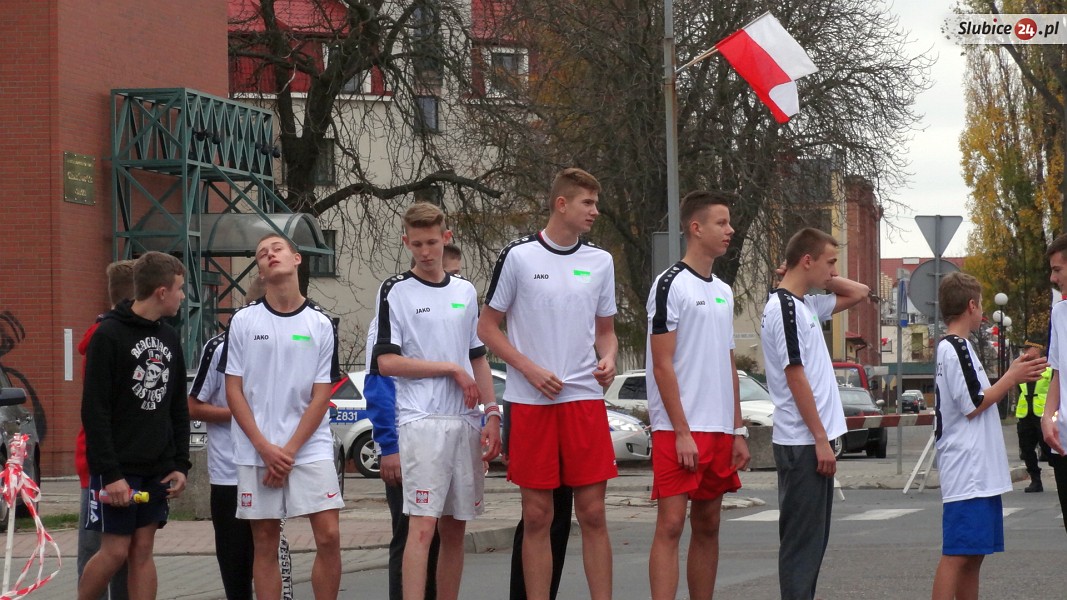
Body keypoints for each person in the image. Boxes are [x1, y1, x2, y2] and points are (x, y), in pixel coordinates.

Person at [478, 167, 618, 600]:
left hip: (583, 399)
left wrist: (609, 358)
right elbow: (487, 327)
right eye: (587, 203)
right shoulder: (519, 256)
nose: (595, 211)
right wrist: (529, 368)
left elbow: (606, 331)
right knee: (538, 515)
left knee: (593, 514)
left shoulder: (600, 261)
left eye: (596, 203)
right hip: (531, 401)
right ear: (562, 204)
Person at [372, 203, 500, 600]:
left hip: (464, 420)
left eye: (432, 242)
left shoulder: (465, 291)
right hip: (421, 420)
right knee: (422, 527)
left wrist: (492, 414)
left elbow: (478, 357)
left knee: (455, 528)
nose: (426, 252)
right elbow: (386, 362)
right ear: (406, 242)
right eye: (417, 244)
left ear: (446, 238)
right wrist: (449, 369)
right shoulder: (395, 290)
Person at [220, 234, 344, 600]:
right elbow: (233, 391)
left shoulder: (321, 323)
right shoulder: (243, 321)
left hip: (308, 447)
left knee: (329, 536)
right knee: (265, 540)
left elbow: (322, 394)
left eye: (277, 249)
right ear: (260, 269)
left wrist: (287, 452)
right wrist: (265, 448)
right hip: (256, 448)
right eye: (262, 254)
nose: (270, 255)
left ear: (296, 259)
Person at [646, 190, 751, 600]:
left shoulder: (724, 291)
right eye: (721, 223)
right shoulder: (669, 284)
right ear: (696, 228)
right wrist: (681, 431)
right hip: (679, 429)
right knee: (671, 524)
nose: (730, 230)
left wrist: (737, 429)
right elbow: (662, 363)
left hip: (720, 429)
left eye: (729, 222)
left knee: (708, 525)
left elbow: (728, 363)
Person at [759, 228, 869, 600]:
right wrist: (820, 439)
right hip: (803, 442)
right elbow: (795, 376)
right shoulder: (785, 309)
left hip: (811, 441)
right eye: (830, 262)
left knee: (812, 545)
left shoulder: (804, 303)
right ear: (807, 260)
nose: (835, 271)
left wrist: (818, 276)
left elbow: (860, 292)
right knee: (801, 548)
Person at [78, 251, 191, 600]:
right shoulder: (109, 335)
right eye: (179, 289)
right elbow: (94, 410)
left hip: (157, 465)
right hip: (119, 468)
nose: (183, 296)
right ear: (161, 291)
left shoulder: (169, 337)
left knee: (143, 549)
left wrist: (180, 463)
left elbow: (176, 405)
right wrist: (110, 474)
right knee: (115, 551)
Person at [930, 272, 1047, 599]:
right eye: (981, 303)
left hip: (976, 471)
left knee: (973, 555)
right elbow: (973, 404)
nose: (982, 310)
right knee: (957, 554)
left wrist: (1012, 373)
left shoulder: (958, 347)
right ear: (971, 305)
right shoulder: (955, 347)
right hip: (967, 470)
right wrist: (1012, 376)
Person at [369, 243, 461, 600]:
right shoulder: (393, 312)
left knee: (437, 534)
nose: (454, 281)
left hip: (447, 430)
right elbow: (379, 381)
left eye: (458, 274)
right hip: (409, 437)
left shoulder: (454, 307)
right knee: (411, 534)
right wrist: (388, 445)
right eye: (452, 273)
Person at [187, 276, 266, 600]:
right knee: (235, 562)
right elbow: (193, 406)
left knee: (267, 555)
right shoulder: (220, 347)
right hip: (229, 473)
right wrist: (240, 416)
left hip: (270, 467)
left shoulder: (283, 341)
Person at [76, 259, 135, 600]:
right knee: (97, 547)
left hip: (121, 459)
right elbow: (97, 409)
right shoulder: (106, 338)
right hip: (100, 462)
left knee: (122, 549)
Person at [1041, 233, 1067, 532]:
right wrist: (1047, 416)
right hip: (1064, 443)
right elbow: (1057, 372)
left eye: (1057, 269)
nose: (1052, 277)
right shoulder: (1059, 312)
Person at [1015, 336, 1052, 493]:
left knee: (1049, 449)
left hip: (1043, 415)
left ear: (1037, 350)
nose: (1024, 352)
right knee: (1026, 450)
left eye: (1027, 349)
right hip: (1025, 415)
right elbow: (1019, 391)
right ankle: (1035, 481)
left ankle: (1061, 477)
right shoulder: (1022, 370)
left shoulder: (1050, 369)